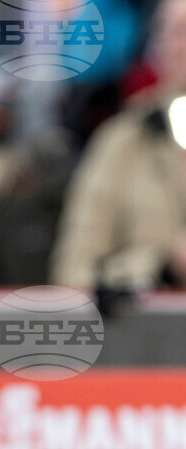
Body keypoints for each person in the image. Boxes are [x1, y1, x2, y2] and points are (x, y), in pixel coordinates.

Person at [49, 0, 186, 294]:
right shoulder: (122, 143)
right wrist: (160, 266)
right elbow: (73, 270)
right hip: (153, 334)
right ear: (159, 44)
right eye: (181, 31)